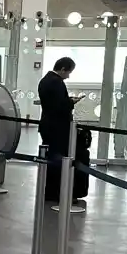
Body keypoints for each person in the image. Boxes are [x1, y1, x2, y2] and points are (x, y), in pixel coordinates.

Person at [37, 56, 88, 202]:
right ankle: (59, 192)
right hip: (58, 127)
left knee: (52, 157)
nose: (68, 76)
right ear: (63, 69)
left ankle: (51, 191)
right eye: (68, 72)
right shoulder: (56, 82)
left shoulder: (45, 80)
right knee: (60, 159)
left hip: (47, 125)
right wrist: (72, 102)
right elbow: (60, 106)